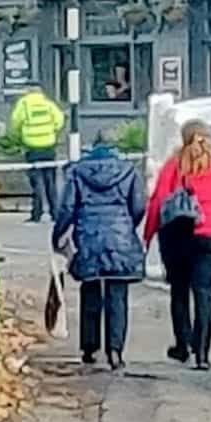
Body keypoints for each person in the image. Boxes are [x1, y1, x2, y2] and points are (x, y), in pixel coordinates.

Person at [143, 119, 211, 371]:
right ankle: (203, 353)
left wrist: (147, 236)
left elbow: (158, 202)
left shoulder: (174, 166)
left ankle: (182, 345)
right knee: (204, 293)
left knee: (179, 291)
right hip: (210, 234)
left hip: (177, 235)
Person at [51, 129, 146, 371]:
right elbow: (138, 206)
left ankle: (89, 347)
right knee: (117, 294)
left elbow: (67, 208)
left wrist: (58, 235)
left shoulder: (78, 172)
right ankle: (115, 351)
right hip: (120, 237)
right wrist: (126, 226)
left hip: (88, 236)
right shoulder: (129, 171)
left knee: (90, 290)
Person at [9, 81, 65, 224]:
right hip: (48, 147)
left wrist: (22, 135)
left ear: (28, 90)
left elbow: (15, 122)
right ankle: (55, 213)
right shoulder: (48, 104)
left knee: (37, 182)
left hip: (32, 147)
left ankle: (37, 213)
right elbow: (59, 120)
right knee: (50, 182)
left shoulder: (24, 104)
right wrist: (51, 131)